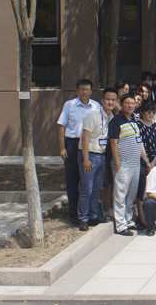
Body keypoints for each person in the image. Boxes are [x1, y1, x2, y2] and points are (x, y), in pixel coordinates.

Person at [57, 78, 101, 224]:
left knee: (88, 180)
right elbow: (61, 126)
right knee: (72, 179)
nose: (84, 92)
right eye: (82, 89)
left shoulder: (96, 106)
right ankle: (74, 213)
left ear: (91, 91)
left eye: (87, 89)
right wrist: (62, 147)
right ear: (77, 91)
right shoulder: (69, 105)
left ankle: (89, 213)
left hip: (90, 145)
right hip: (73, 143)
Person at [109, 94, 151, 235]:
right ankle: (120, 225)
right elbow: (113, 143)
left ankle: (129, 220)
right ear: (121, 105)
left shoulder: (134, 121)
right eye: (127, 103)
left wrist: (145, 160)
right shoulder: (116, 121)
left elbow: (139, 142)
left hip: (135, 164)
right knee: (120, 194)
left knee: (131, 195)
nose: (130, 106)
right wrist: (117, 162)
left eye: (132, 103)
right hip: (123, 164)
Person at [77, 87, 117, 231]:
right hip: (89, 154)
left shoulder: (111, 117)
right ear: (102, 100)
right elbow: (85, 138)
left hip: (101, 155)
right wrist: (85, 159)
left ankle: (93, 215)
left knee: (97, 188)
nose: (110, 102)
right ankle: (82, 218)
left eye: (113, 100)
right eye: (108, 99)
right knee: (86, 188)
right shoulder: (93, 115)